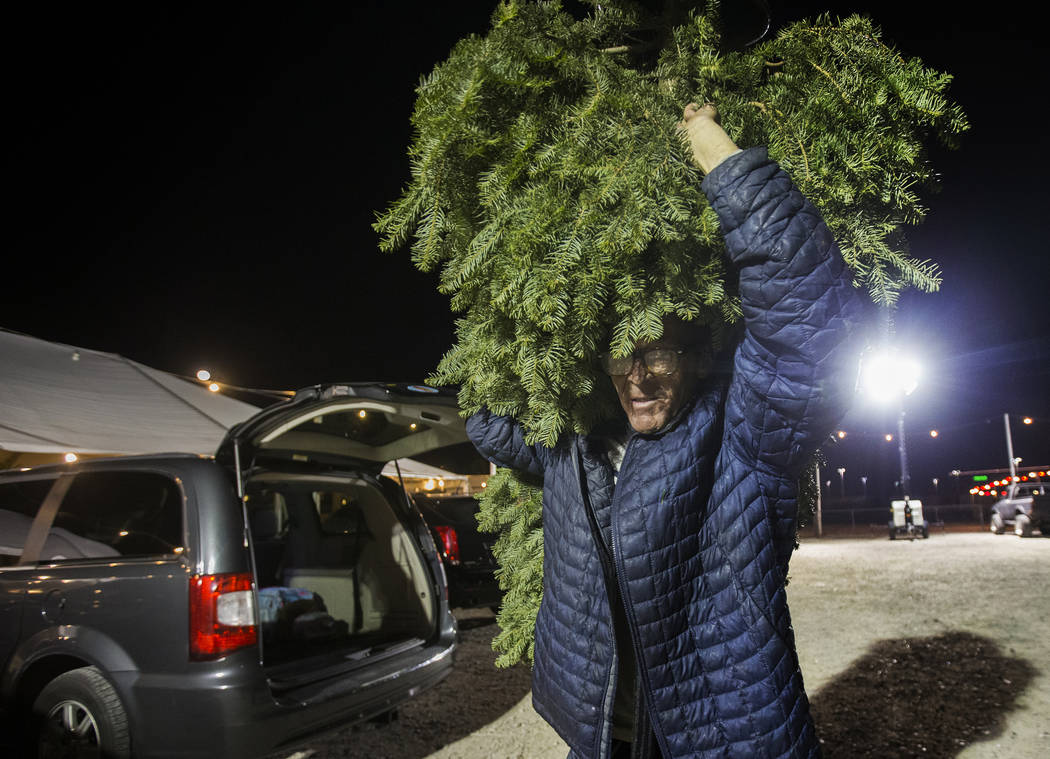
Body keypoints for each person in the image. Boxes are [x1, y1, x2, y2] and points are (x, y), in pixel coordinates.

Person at [467, 103, 866, 759]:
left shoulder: (742, 438)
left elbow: (812, 342)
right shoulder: (578, 441)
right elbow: (490, 417)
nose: (638, 377)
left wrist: (715, 151)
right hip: (605, 738)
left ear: (700, 354)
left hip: (719, 740)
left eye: (658, 355)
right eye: (622, 355)